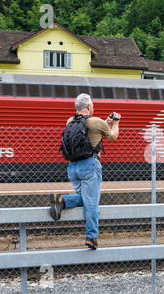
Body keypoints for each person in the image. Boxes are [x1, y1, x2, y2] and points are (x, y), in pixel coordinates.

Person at [50, 93, 120, 249]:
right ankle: (91, 237)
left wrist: (104, 123)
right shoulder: (97, 123)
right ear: (89, 107)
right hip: (90, 166)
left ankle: (63, 201)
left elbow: (88, 128)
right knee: (92, 203)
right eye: (92, 105)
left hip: (73, 167)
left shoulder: (69, 121)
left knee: (85, 198)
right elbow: (113, 137)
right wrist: (115, 122)